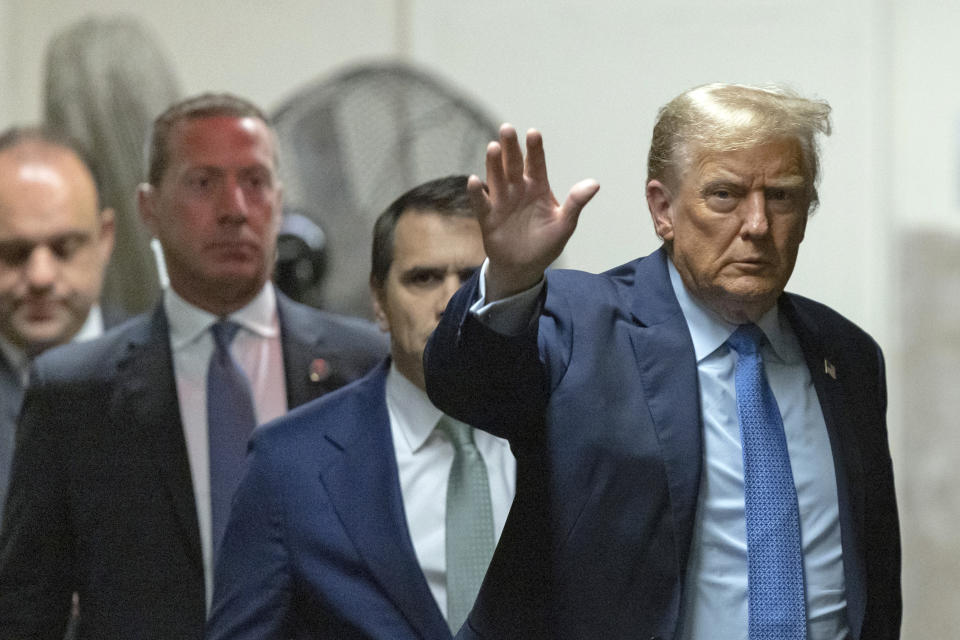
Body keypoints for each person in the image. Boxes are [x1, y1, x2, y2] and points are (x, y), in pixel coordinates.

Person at [424, 84, 901, 640]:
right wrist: (509, 279)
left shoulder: (846, 354)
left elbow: (873, 566)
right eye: (724, 195)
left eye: (782, 196)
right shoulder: (582, 322)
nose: (756, 224)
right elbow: (469, 390)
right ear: (662, 209)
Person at [0, 93, 387, 640]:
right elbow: (27, 608)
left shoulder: (364, 368)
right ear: (148, 210)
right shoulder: (74, 392)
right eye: (203, 183)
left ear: (279, 201)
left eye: (254, 181)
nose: (234, 208)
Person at [205, 175, 515, 640]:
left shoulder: (566, 435)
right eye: (423, 278)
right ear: (379, 302)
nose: (452, 301)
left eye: (475, 279)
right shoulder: (290, 464)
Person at [0, 126, 115, 520]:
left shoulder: (174, 369)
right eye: (13, 253)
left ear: (105, 238)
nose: (40, 277)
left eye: (64, 248)